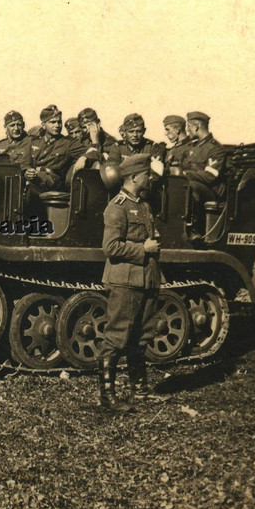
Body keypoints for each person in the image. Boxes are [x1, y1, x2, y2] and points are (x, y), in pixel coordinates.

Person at [94, 153, 164, 413]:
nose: (150, 178)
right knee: (116, 337)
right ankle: (107, 396)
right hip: (124, 282)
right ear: (135, 177)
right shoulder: (117, 207)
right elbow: (110, 247)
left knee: (142, 336)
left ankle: (141, 391)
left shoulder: (143, 206)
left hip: (145, 280)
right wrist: (143, 248)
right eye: (146, 174)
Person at [182, 111, 226, 236]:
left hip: (210, 191)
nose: (187, 131)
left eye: (188, 127)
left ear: (196, 127)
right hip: (191, 188)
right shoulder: (192, 147)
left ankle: (194, 230)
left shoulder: (215, 148)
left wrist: (186, 173)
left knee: (191, 187)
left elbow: (210, 176)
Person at [27, 105, 81, 191]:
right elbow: (25, 163)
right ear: (43, 125)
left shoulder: (68, 143)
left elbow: (92, 152)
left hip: (54, 183)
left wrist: (84, 158)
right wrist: (27, 171)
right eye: (52, 122)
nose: (57, 125)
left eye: (59, 122)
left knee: (29, 186)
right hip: (34, 180)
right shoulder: (34, 142)